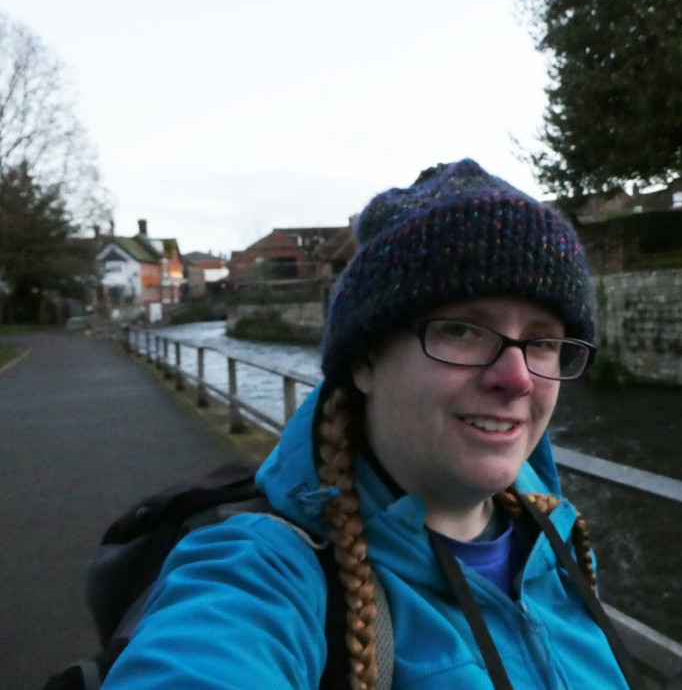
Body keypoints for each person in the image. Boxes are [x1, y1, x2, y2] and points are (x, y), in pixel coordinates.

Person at [102, 159, 634, 689]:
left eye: (542, 343)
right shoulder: (263, 574)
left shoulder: (558, 546)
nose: (517, 379)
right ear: (365, 361)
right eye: (462, 330)